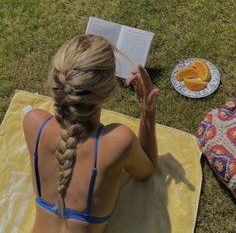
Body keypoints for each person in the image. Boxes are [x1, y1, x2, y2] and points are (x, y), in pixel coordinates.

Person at [23, 34, 159, 233]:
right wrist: (148, 112)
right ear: (109, 91)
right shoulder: (118, 142)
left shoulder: (33, 122)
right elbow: (146, 171)